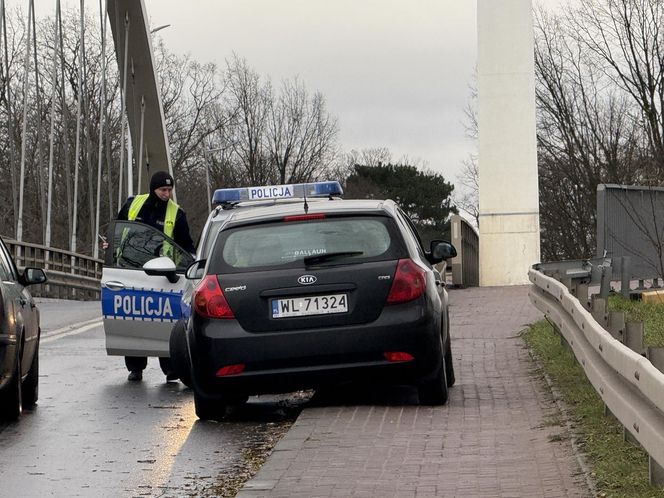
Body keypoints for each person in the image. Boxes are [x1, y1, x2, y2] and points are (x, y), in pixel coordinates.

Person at [116, 170, 196, 382]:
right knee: (134, 320)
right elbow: (118, 228)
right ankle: (135, 367)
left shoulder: (176, 214)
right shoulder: (133, 204)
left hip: (163, 273)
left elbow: (186, 246)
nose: (167, 194)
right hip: (131, 269)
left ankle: (170, 367)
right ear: (153, 189)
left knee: (165, 322)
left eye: (170, 190)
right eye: (163, 190)